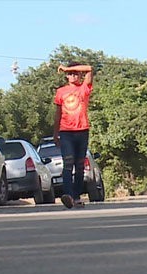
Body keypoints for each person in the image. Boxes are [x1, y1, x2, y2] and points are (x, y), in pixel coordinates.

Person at [53, 61, 93, 209]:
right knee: (68, 164)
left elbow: (89, 69)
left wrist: (67, 67)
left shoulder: (84, 88)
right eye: (69, 73)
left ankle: (76, 197)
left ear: (79, 74)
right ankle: (68, 195)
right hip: (66, 132)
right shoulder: (61, 92)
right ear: (66, 77)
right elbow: (57, 114)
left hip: (82, 130)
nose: (72, 75)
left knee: (80, 166)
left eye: (75, 73)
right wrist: (55, 134)